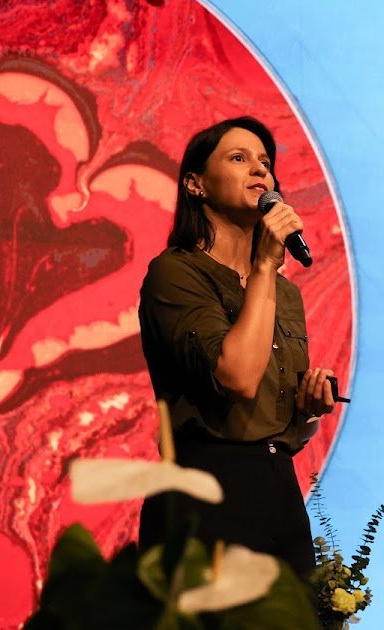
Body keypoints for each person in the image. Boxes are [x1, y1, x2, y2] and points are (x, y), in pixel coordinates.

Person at [137, 117, 334, 577]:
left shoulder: (285, 294)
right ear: (195, 184)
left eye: (265, 162)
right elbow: (237, 379)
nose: (260, 170)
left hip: (279, 490)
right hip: (206, 491)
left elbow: (276, 423)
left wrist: (308, 411)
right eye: (239, 158)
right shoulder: (176, 273)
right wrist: (265, 265)